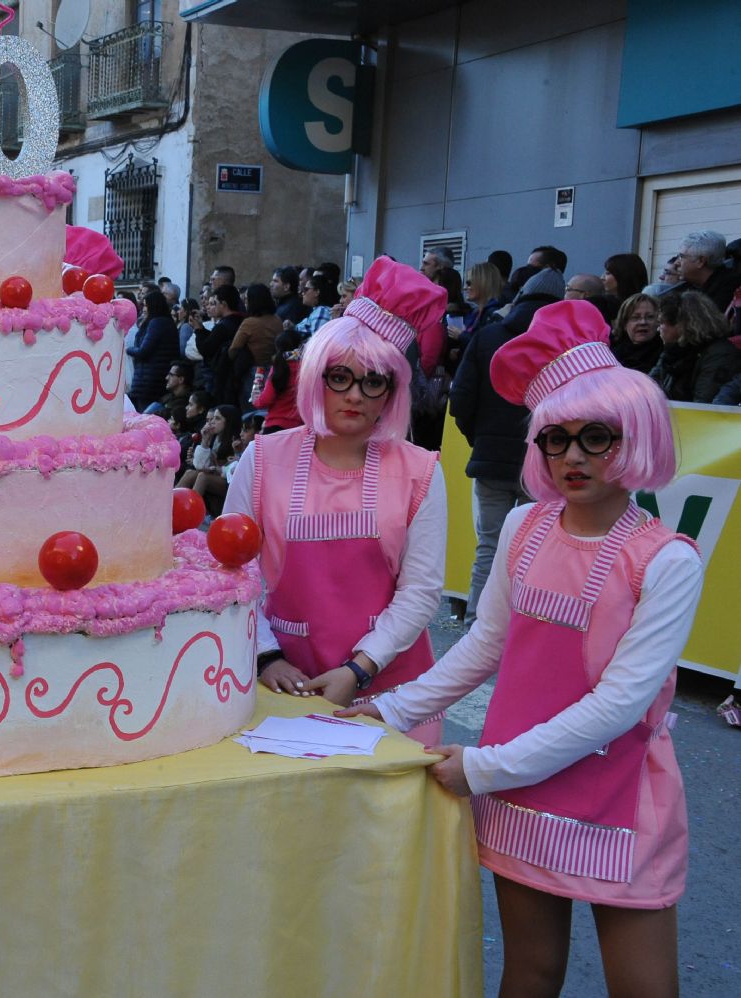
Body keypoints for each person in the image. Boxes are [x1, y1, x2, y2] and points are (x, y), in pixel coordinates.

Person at [345, 299, 702, 998]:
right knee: (530, 974)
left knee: (645, 989)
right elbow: (487, 644)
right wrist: (386, 712)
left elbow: (621, 704)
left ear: (635, 436)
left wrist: (482, 766)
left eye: (596, 436)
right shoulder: (524, 527)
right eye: (556, 438)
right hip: (519, 788)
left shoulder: (666, 560)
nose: (573, 456)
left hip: (618, 800)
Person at [223, 256, 448, 744]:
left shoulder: (421, 470)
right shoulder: (263, 458)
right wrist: (264, 655)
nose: (355, 396)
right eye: (339, 377)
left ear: (392, 392)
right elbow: (233, 572)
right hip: (284, 684)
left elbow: (421, 591)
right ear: (315, 378)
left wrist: (360, 668)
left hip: (390, 691)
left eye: (373, 381)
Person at [449, 270, 564, 627]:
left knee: (489, 545)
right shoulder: (564, 344)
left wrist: (479, 437)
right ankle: (522, 625)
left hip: (491, 461)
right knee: (534, 547)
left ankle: (477, 623)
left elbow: (461, 399)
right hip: (543, 463)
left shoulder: (488, 336)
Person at [650, 291, 741, 403]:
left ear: (680, 325)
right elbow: (648, 389)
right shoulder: (673, 352)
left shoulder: (720, 355)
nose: (658, 329)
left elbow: (703, 405)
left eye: (661, 323)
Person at [126, 289, 180, 413]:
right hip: (153, 378)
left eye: (145, 305)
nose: (144, 309)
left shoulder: (157, 323)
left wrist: (127, 349)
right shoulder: (165, 322)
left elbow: (144, 350)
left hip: (149, 381)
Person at [229, 284, 281, 405]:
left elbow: (233, 349)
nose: (244, 302)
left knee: (250, 410)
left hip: (253, 373)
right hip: (274, 371)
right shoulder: (277, 320)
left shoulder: (249, 323)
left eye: (247, 299)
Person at [196, 285, 244, 405]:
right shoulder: (241, 320)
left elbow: (206, 349)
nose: (212, 307)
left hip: (224, 378)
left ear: (223, 304)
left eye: (215, 303)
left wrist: (198, 330)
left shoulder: (223, 325)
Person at [674, 229, 741, 313]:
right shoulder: (688, 288)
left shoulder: (730, 289)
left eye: (681, 257)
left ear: (701, 261)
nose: (676, 263)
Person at [254, 327, 304, 433]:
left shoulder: (280, 366)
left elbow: (266, 399)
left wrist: (256, 400)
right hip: (300, 428)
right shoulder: (309, 367)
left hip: (276, 426)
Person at [609, 293, 663, 375]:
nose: (643, 322)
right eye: (635, 317)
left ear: (658, 321)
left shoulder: (666, 355)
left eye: (650, 317)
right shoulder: (612, 357)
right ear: (624, 323)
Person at [294, 272, 338, 338]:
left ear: (317, 292)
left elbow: (316, 343)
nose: (302, 293)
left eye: (306, 289)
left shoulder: (321, 312)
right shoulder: (316, 311)